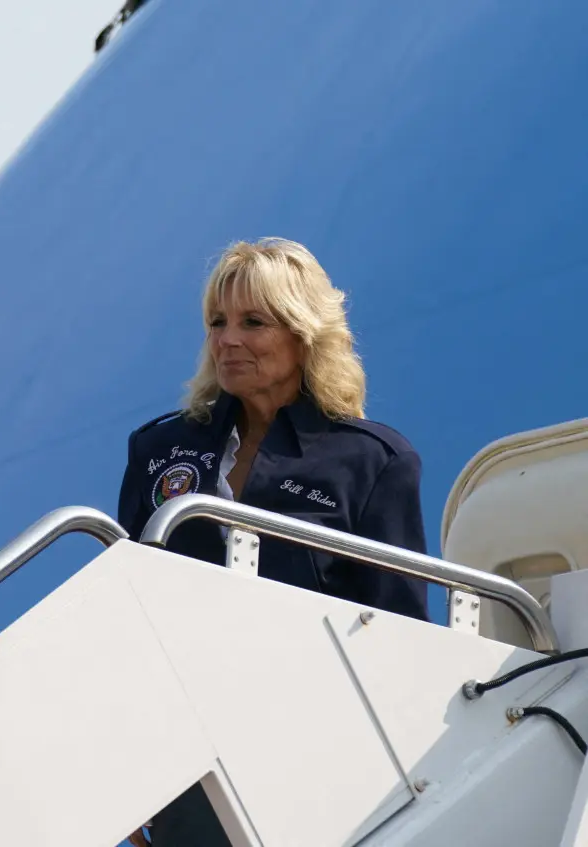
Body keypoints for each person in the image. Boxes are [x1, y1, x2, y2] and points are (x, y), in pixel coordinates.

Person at [116, 237, 428, 846]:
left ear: (304, 333)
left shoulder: (372, 461)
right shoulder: (158, 450)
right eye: (217, 322)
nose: (227, 339)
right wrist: (124, 764)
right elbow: (125, 610)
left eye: (253, 322)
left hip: (317, 753)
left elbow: (401, 631)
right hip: (187, 750)